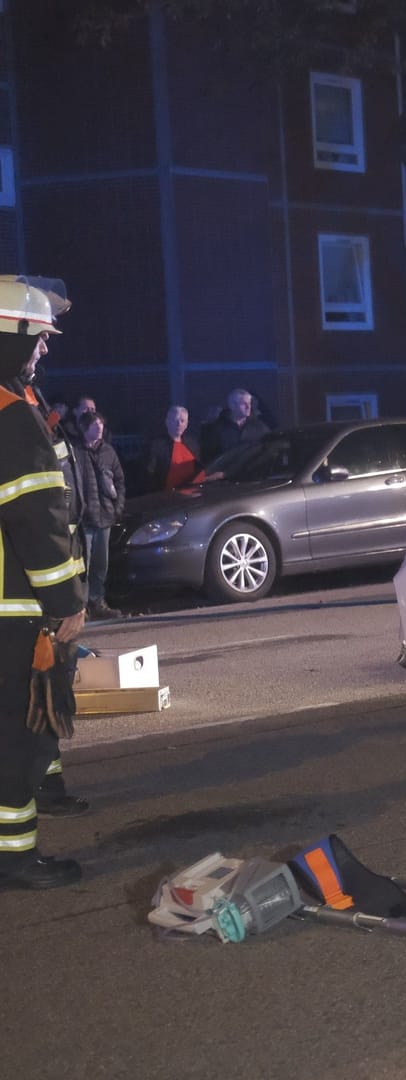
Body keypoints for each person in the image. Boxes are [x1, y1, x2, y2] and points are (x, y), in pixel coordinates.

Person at [0, 278, 88, 889]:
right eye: (38, 338)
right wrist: (66, 605)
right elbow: (39, 522)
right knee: (20, 736)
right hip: (17, 611)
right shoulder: (14, 419)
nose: (44, 351)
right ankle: (15, 858)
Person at [73, 412, 126, 620]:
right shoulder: (76, 452)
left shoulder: (108, 452)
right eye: (95, 424)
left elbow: (120, 480)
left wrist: (118, 507)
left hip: (104, 518)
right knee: (82, 566)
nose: (99, 428)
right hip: (85, 519)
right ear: (84, 428)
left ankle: (97, 602)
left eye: (101, 424)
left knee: (100, 566)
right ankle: (81, 607)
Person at [200, 387, 270, 464]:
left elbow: (268, 450)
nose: (248, 407)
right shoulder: (215, 429)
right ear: (232, 405)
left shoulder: (260, 427)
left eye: (249, 403)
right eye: (243, 403)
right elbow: (208, 458)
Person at [146, 405, 202, 492]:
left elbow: (199, 470)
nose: (179, 424)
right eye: (175, 420)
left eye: (182, 421)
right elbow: (149, 474)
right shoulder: (156, 445)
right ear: (167, 422)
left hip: (192, 493)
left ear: (186, 424)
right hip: (166, 496)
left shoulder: (193, 444)